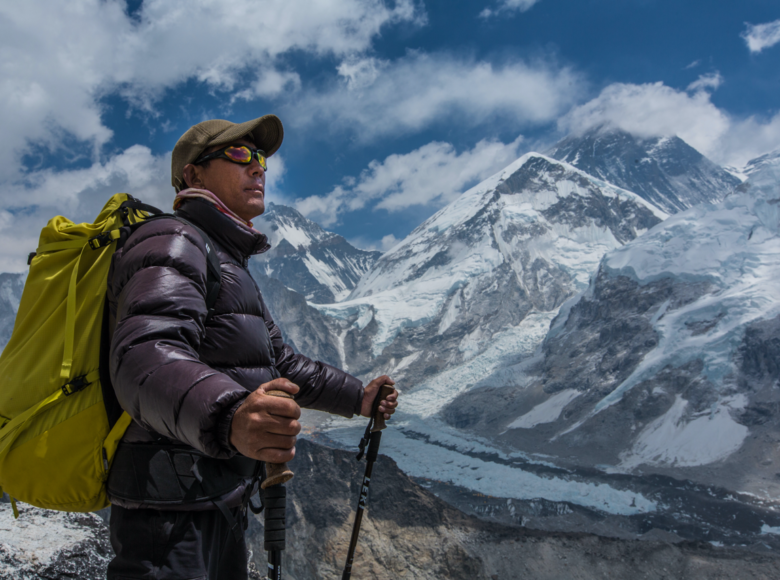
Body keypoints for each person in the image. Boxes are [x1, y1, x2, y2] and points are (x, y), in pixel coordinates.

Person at [104, 115, 397, 579]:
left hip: (215, 496)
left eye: (259, 158)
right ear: (193, 175)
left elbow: (278, 363)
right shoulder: (175, 241)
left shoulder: (226, 259)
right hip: (169, 514)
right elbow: (144, 356)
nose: (258, 167)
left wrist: (357, 397)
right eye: (239, 155)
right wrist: (231, 415)